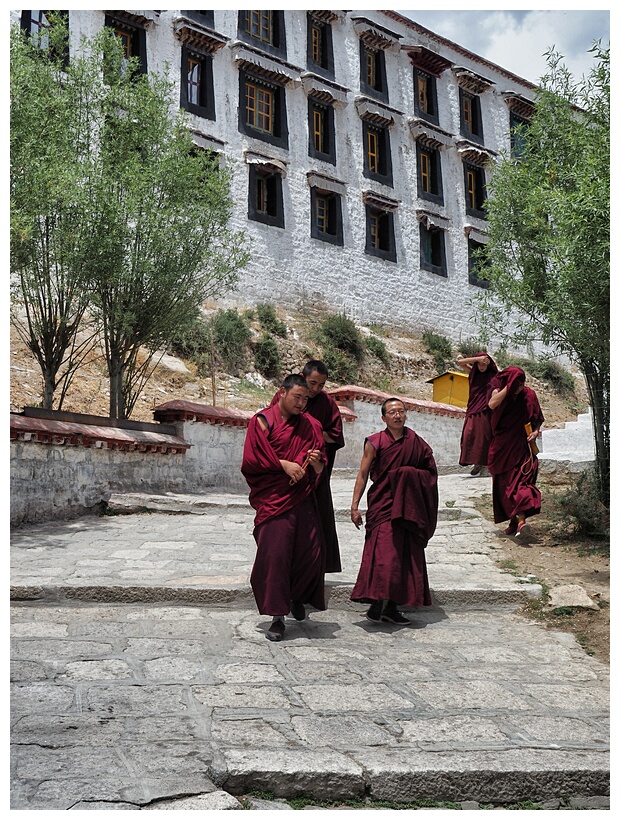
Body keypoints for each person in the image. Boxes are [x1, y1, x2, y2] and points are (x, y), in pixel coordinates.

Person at [241, 373, 327, 641]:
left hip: (301, 498)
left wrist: (314, 463)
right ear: (282, 393)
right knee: (276, 557)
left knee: (312, 553)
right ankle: (278, 617)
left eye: (305, 398)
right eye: (297, 397)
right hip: (273, 501)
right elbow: (252, 460)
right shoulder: (263, 421)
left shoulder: (311, 426)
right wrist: (284, 464)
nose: (302, 403)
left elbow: (320, 465)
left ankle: (296, 596)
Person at [349, 397, 438, 624]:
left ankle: (392, 607)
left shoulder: (416, 442)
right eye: (392, 412)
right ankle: (377, 601)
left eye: (401, 411)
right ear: (383, 418)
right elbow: (362, 474)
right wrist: (354, 506)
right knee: (383, 555)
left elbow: (430, 473)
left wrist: (408, 474)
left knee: (405, 555)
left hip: (408, 506)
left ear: (406, 414)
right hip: (384, 503)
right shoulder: (375, 442)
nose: (397, 415)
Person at [269, 360, 345, 573]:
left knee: (318, 520)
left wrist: (311, 433)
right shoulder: (285, 395)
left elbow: (336, 436)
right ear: (302, 376)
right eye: (312, 383)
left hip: (315, 470)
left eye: (321, 385)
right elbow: (272, 426)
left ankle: (316, 567)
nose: (315, 390)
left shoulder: (326, 403)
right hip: (286, 470)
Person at [487, 366, 544, 538]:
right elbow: (492, 404)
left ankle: (521, 522)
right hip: (503, 447)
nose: (520, 388)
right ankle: (515, 522)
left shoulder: (529, 395)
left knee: (521, 485)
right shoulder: (498, 389)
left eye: (522, 384)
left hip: (522, 448)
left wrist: (535, 432)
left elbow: (538, 418)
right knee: (506, 487)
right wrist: (508, 388)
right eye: (517, 385)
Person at [456, 352, 498, 475]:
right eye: (479, 364)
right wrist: (478, 358)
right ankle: (476, 462)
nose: (481, 366)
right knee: (469, 434)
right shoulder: (473, 373)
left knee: (483, 437)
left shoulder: (493, 376)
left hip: (486, 410)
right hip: (473, 409)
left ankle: (482, 464)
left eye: (483, 364)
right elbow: (459, 363)